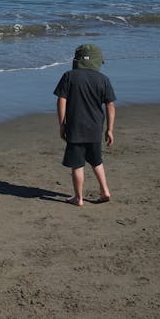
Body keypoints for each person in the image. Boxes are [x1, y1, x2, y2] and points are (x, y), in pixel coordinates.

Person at [53, 44, 116, 206]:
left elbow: (62, 100)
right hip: (95, 128)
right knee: (97, 161)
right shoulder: (103, 80)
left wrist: (62, 124)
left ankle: (78, 197)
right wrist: (109, 129)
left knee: (77, 164)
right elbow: (110, 105)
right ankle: (105, 190)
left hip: (75, 128)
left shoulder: (69, 76)